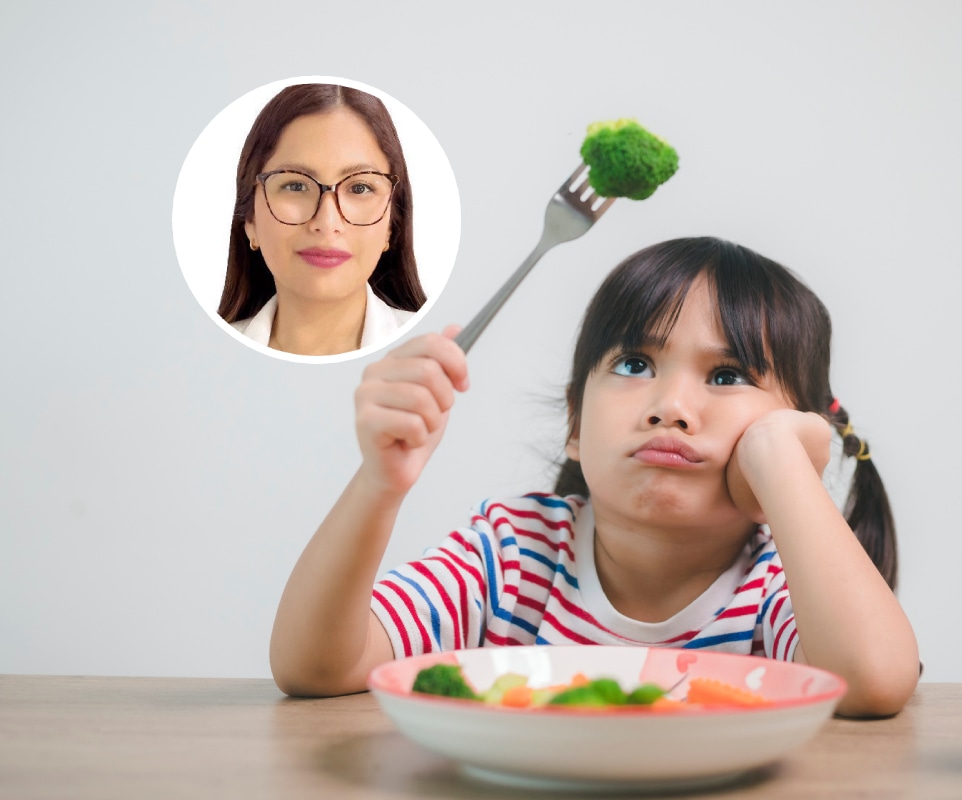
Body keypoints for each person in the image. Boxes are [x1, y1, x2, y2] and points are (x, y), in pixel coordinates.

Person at [270, 237, 920, 717]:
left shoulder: (779, 584)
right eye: (636, 364)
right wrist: (379, 484)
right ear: (575, 423)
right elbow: (316, 667)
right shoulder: (512, 554)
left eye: (727, 377)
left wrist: (783, 464)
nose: (670, 406)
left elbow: (873, 682)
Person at [219, 83, 426, 356]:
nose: (327, 223)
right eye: (295, 186)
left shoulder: (438, 353)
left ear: (391, 225)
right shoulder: (195, 356)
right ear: (250, 220)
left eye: (359, 188)